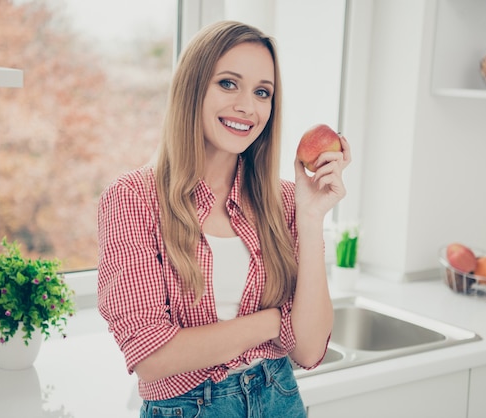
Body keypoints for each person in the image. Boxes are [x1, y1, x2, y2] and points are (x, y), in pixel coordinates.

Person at [97, 20, 351, 417]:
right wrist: (273, 322)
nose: (247, 107)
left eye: (262, 92)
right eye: (228, 84)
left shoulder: (285, 201)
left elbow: (309, 349)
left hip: (280, 398)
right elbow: (151, 354)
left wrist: (312, 216)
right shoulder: (134, 198)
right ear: (192, 88)